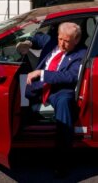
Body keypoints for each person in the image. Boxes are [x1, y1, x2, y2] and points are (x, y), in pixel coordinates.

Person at [18, 22, 87, 176]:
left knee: (65, 103)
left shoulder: (81, 53)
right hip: (38, 87)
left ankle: (62, 161)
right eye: (60, 39)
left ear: (76, 40)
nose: (62, 44)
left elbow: (70, 76)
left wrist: (41, 73)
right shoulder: (51, 42)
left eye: (67, 41)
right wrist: (28, 42)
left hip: (60, 90)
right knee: (13, 88)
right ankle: (17, 135)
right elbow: (36, 36)